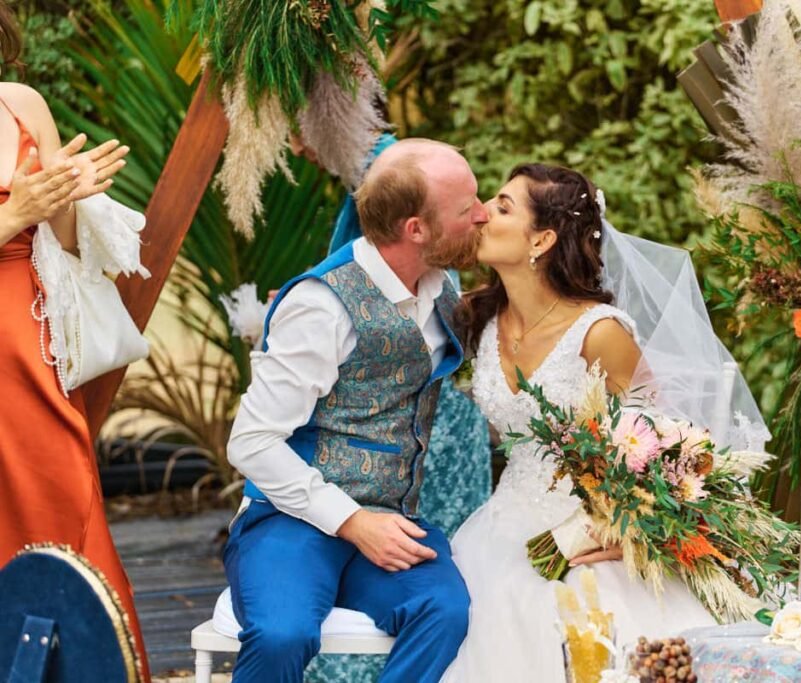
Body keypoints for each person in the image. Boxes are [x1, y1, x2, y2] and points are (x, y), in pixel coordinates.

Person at [443, 163, 768, 682]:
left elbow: (666, 449)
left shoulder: (599, 333)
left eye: (502, 207)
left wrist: (628, 527)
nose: (482, 214)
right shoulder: (479, 318)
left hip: (591, 537)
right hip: (499, 530)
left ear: (542, 239)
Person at [223, 138, 488, 683]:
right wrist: (352, 522)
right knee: (282, 635)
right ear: (416, 229)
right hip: (289, 521)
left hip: (391, 519)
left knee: (444, 611)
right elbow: (251, 442)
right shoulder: (320, 306)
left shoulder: (440, 288)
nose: (483, 215)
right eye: (468, 208)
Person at [0, 5, 150, 680]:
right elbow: (18, 217)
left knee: (58, 491)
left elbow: (59, 247)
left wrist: (70, 200)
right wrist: (15, 212)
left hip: (27, 338)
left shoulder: (21, 103)